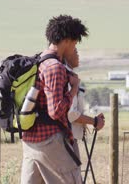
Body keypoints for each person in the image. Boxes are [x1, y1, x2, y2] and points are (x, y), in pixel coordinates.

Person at [21, 15, 88, 184]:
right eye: (74, 43)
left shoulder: (39, 61)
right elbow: (56, 110)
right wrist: (73, 89)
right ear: (66, 40)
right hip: (50, 141)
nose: (74, 48)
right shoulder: (55, 67)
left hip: (30, 141)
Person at [64, 48, 105, 160]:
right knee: (72, 176)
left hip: (68, 138)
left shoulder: (70, 77)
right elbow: (72, 115)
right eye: (75, 52)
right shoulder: (67, 79)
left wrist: (93, 120)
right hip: (67, 140)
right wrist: (95, 121)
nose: (78, 56)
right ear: (67, 55)